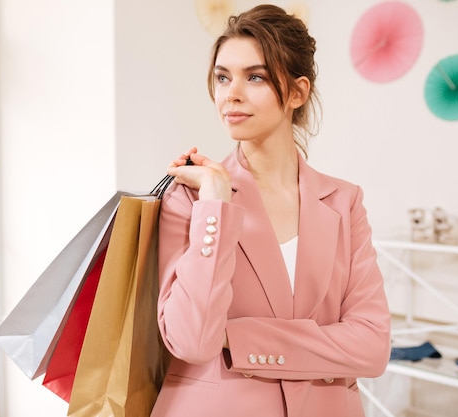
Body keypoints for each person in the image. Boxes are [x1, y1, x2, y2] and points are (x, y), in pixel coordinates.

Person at [151, 4, 391, 417]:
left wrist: (238, 338)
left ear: (297, 92)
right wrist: (215, 205)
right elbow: (192, 341)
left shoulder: (344, 202)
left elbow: (371, 347)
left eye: (255, 77)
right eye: (222, 77)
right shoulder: (191, 198)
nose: (232, 94)